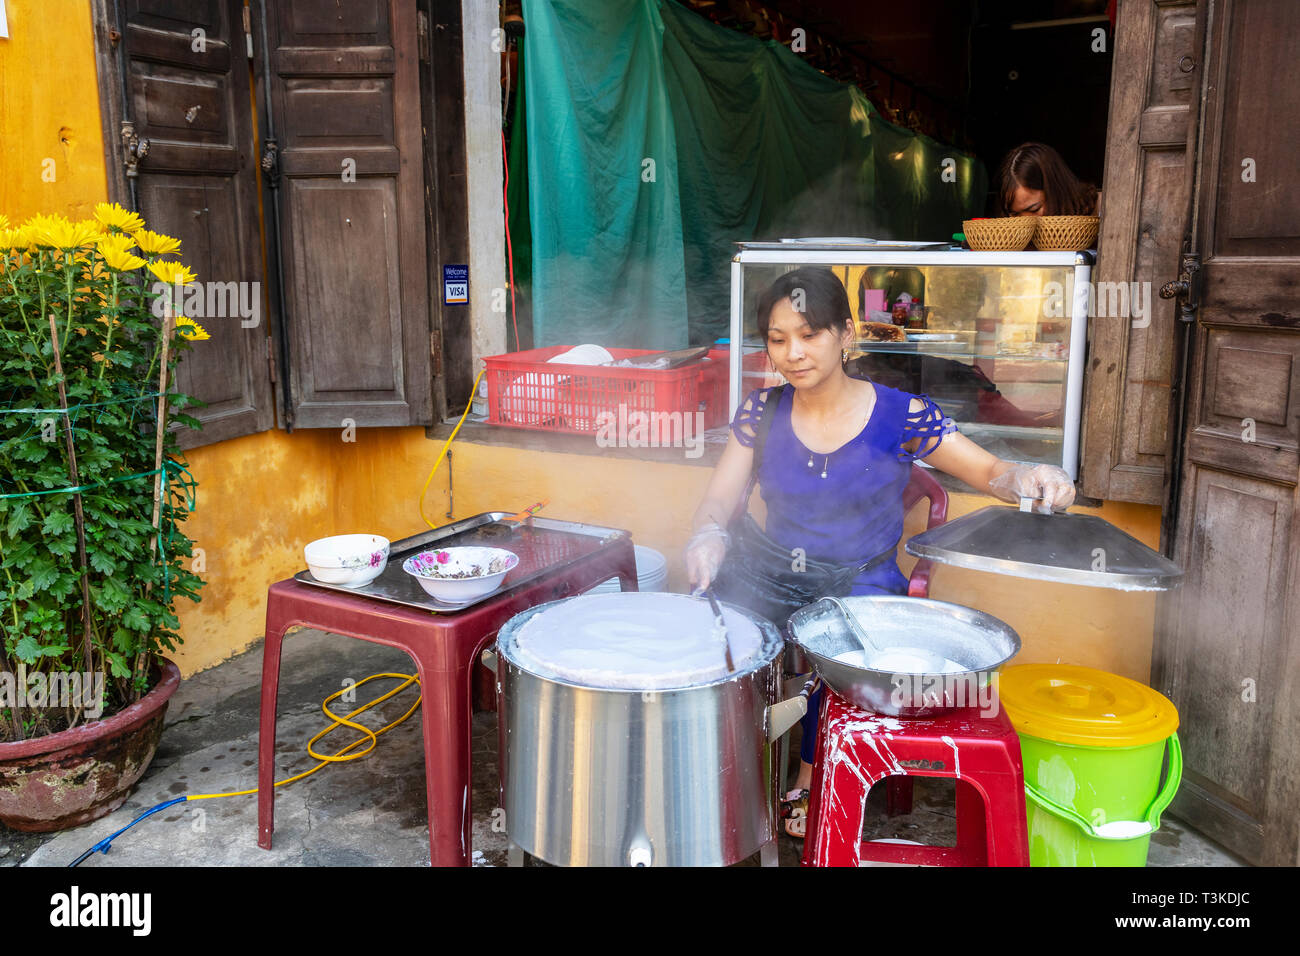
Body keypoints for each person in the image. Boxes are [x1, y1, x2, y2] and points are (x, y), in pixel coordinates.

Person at [684, 267, 1075, 838]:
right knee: (711, 635)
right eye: (777, 338)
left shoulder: (901, 415)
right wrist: (708, 536)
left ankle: (811, 776)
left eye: (809, 333)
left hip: (857, 582)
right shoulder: (761, 413)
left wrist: (1031, 476)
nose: (792, 353)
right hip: (770, 570)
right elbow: (716, 504)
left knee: (843, 658)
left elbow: (991, 471)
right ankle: (722, 764)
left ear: (846, 335)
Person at [994, 142, 1100, 218]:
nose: (1025, 222)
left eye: (1034, 209)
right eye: (1015, 214)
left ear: (1057, 190)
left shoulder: (1102, 210)